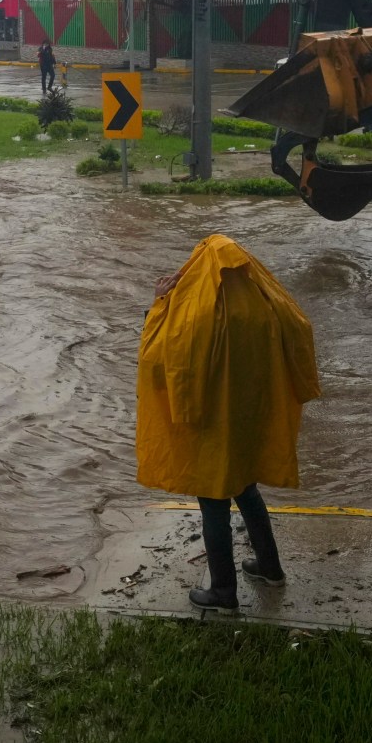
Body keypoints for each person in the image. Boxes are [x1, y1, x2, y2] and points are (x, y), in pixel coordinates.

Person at [136, 235, 320, 612]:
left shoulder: (193, 315)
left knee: (214, 503)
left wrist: (159, 303)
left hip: (208, 424)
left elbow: (156, 362)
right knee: (247, 490)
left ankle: (222, 591)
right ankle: (270, 567)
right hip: (247, 421)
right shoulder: (265, 305)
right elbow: (299, 332)